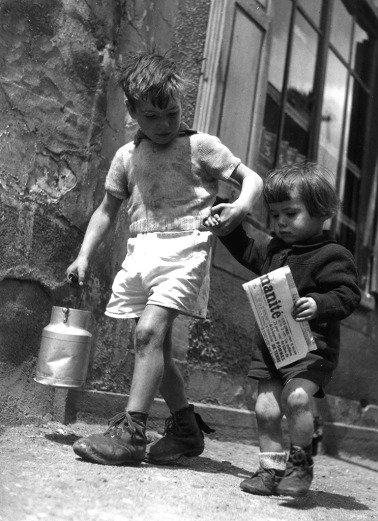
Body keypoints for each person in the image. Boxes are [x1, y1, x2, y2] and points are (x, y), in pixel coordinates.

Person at [66, 51, 263, 466]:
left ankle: (131, 433)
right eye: (152, 116)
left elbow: (252, 180)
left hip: (185, 250)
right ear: (133, 111)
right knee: (157, 347)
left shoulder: (201, 146)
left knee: (148, 333)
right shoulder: (126, 157)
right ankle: (186, 430)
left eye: (171, 113)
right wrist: (84, 255)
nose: (163, 124)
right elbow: (106, 211)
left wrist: (241, 207)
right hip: (141, 253)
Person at [205, 162, 360, 496]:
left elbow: (347, 295)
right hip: (272, 343)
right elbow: (247, 249)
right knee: (266, 407)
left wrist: (319, 304)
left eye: (290, 213)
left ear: (321, 213)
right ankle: (270, 469)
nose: (281, 223)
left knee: (298, 397)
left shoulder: (333, 255)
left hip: (310, 348)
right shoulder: (273, 250)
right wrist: (226, 227)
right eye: (275, 215)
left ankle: (300, 465)